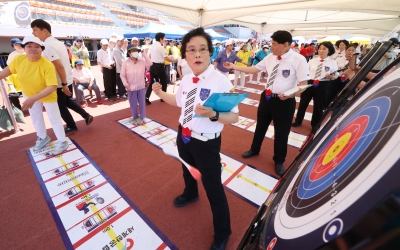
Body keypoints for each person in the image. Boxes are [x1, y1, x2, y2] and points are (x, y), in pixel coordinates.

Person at [152, 27, 238, 250]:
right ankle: (190, 193)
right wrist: (160, 93)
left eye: (202, 49)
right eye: (191, 50)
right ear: (185, 56)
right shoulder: (187, 80)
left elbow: (234, 116)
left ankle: (223, 232)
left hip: (207, 143)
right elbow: (178, 102)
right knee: (187, 169)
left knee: (213, 188)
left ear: (210, 53)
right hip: (184, 135)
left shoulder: (221, 81)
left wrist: (214, 114)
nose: (197, 54)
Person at [223, 30, 310, 176]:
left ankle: (279, 160)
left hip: (284, 101)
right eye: (271, 43)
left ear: (286, 45)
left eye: (274, 44)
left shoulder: (298, 59)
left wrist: (290, 95)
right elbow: (253, 69)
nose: (271, 47)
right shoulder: (270, 57)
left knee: (281, 132)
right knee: (260, 126)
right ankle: (254, 149)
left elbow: (303, 84)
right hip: (267, 98)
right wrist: (233, 67)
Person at [0, 36, 68, 154]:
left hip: (47, 95)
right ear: (24, 48)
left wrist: (33, 98)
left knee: (54, 119)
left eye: (37, 46)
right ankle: (43, 137)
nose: (33, 49)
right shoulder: (18, 60)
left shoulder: (47, 65)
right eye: (29, 46)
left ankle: (62, 141)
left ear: (41, 49)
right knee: (36, 118)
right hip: (29, 94)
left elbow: (52, 86)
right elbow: (9, 70)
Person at [31, 19, 94, 134]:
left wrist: (64, 85)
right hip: (65, 80)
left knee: (61, 107)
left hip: (59, 82)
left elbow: (59, 66)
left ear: (44, 31)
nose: (33, 33)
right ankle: (86, 115)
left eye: (35, 30)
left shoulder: (48, 45)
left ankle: (71, 125)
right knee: (66, 102)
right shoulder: (58, 43)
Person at [292, 41, 338, 130]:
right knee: (303, 103)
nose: (321, 51)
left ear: (329, 50)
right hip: (310, 83)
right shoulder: (312, 60)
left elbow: (336, 75)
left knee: (318, 106)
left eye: (324, 49)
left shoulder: (332, 62)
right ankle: (298, 120)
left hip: (323, 83)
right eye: (320, 48)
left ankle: (315, 125)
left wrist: (331, 76)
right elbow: (305, 72)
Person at [120, 45, 152, 125]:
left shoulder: (142, 61)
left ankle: (142, 117)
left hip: (141, 86)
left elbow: (150, 63)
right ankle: (135, 116)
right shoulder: (125, 63)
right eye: (133, 51)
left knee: (142, 102)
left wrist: (144, 54)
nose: (135, 52)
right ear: (129, 53)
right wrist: (125, 84)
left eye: (136, 51)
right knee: (133, 103)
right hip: (130, 87)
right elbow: (122, 75)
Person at [145, 32, 177, 105]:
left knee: (152, 83)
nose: (164, 39)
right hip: (159, 66)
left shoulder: (152, 46)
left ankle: (146, 97)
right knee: (164, 82)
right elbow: (166, 58)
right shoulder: (161, 47)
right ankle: (163, 98)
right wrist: (175, 60)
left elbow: (149, 56)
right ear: (160, 39)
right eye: (164, 38)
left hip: (153, 66)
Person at [6, 38, 25, 110]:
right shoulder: (12, 55)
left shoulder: (28, 52)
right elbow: (9, 65)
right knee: (12, 96)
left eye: (20, 44)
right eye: (16, 44)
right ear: (13, 46)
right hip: (17, 81)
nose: (19, 45)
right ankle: (19, 110)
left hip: (29, 79)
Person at [113, 35, 128, 100]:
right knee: (120, 82)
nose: (122, 42)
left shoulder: (120, 48)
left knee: (123, 81)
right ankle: (121, 94)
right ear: (117, 42)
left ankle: (123, 92)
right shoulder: (116, 50)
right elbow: (120, 61)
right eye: (121, 41)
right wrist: (126, 66)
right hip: (120, 69)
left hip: (123, 68)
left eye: (123, 41)